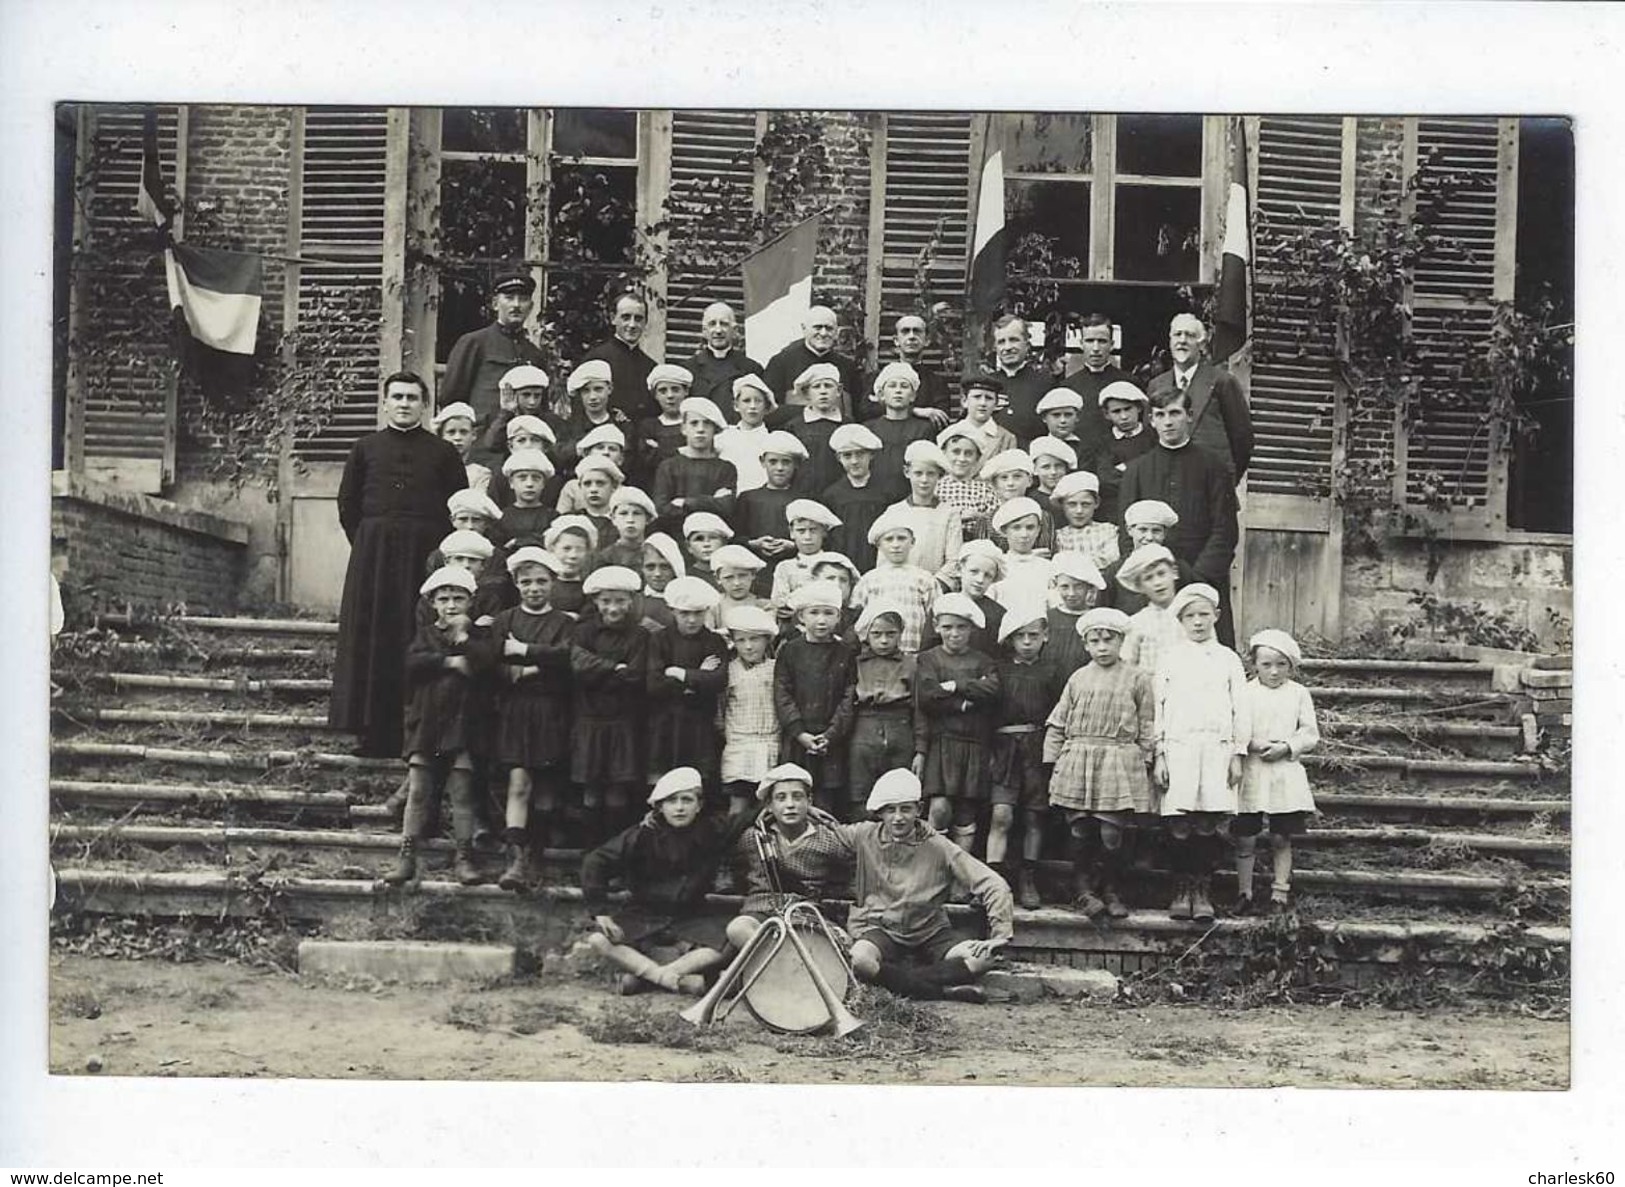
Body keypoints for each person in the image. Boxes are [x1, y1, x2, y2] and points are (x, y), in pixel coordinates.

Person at [330, 372, 467, 759]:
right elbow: (348, 505)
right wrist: (370, 543)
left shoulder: (443, 452)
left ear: (425, 406)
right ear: (385, 403)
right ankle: (371, 732)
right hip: (373, 556)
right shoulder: (365, 448)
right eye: (398, 397)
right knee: (373, 635)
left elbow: (457, 506)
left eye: (412, 398)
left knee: (414, 633)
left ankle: (415, 731)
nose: (405, 404)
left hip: (423, 555)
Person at [831, 768, 1014, 1004]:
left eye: (906, 809)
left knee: (984, 959)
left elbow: (992, 883)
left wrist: (999, 935)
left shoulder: (938, 845)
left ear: (919, 810)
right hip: (881, 928)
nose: (898, 817)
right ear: (880, 813)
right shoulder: (863, 835)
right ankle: (943, 992)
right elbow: (826, 830)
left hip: (929, 932)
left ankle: (901, 982)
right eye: (890, 810)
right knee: (859, 960)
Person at [581, 767, 749, 996]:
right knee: (599, 940)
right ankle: (675, 981)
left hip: (692, 914)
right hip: (645, 914)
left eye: (687, 800)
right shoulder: (641, 834)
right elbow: (596, 861)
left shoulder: (712, 829)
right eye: (671, 801)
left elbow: (749, 818)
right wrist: (600, 912)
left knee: (731, 941)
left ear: (699, 805)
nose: (679, 807)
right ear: (659, 806)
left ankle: (649, 978)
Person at [1044, 606, 1155, 919]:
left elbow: (1146, 723)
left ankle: (1111, 887)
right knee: (1080, 829)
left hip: (1117, 759)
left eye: (1110, 639)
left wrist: (1145, 760)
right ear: (1086, 644)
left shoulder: (1137, 678)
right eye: (1096, 640)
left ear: (1121, 641)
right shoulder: (1078, 678)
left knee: (1111, 832)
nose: (1103, 646)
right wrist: (1052, 763)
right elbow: (1059, 721)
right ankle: (1082, 890)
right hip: (1079, 758)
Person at [382, 565, 487, 887]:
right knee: (418, 791)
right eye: (444, 599)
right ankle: (406, 856)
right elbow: (412, 664)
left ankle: (464, 856)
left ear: (470, 601)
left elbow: (485, 664)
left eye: (458, 598)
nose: (451, 605)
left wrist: (465, 639)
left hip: (463, 725)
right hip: (427, 724)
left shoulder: (478, 636)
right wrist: (448, 661)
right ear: (433, 603)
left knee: (462, 792)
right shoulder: (424, 635)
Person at [479, 545, 575, 891]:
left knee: (547, 793)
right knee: (519, 784)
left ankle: (537, 855)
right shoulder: (505, 620)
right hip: (516, 711)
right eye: (526, 582)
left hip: (552, 712)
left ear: (553, 583)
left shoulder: (565, 623)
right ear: (517, 584)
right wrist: (517, 672)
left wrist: (527, 658)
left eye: (541, 581)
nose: (534, 588)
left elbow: (568, 661)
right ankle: (516, 859)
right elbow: (490, 662)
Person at [1117, 383, 1242, 645]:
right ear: (1151, 420)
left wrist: (1197, 576)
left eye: (1174, 413)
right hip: (1152, 584)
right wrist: (1147, 576)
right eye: (1160, 415)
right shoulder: (1137, 470)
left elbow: (1225, 529)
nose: (1168, 422)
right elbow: (1126, 531)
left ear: (1189, 416)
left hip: (1203, 577)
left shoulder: (1214, 466)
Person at [1153, 584, 1249, 922]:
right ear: (1180, 619)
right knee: (1179, 823)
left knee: (1209, 823)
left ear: (1216, 617)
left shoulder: (1228, 659)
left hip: (1217, 750)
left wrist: (1238, 753)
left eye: (1203, 615)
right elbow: (1159, 709)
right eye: (1190, 616)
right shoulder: (1169, 658)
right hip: (1179, 747)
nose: (1197, 622)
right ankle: (1181, 888)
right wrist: (1160, 754)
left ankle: (1202, 888)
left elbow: (1241, 708)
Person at [987, 601, 1070, 910]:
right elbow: (988, 710)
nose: (1026, 643)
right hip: (1004, 747)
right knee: (1001, 814)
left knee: (1035, 814)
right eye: (1020, 636)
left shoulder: (1052, 671)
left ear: (1044, 636)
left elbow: (1061, 713)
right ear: (1010, 639)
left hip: (1038, 746)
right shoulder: (999, 669)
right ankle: (992, 882)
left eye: (1033, 636)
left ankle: (1028, 878)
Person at [1233, 629, 1321, 915]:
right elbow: (1235, 728)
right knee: (1246, 835)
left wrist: (1286, 746)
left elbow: (1310, 733)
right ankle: (1244, 892)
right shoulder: (1244, 692)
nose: (1273, 671)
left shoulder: (1298, 693)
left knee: (1281, 836)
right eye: (1266, 664)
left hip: (1284, 770)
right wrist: (1253, 744)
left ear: (1291, 666)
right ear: (1254, 664)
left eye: (1281, 665)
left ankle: (1280, 892)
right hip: (1253, 769)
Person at [726, 763, 856, 951]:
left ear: (809, 801)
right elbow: (735, 866)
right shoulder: (754, 837)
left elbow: (850, 869)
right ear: (769, 805)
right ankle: (789, 962)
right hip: (761, 911)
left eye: (797, 797)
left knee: (843, 942)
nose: (790, 805)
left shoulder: (827, 838)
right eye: (781, 798)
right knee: (738, 929)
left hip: (805, 913)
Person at [570, 565, 652, 842]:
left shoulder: (640, 636)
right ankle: (591, 851)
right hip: (590, 720)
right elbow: (578, 668)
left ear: (631, 601)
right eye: (606, 601)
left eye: (620, 601)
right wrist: (613, 667)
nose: (613, 608)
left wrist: (600, 672)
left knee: (618, 788)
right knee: (591, 790)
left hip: (622, 721)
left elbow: (635, 675)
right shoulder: (583, 632)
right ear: (596, 602)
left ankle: (615, 852)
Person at [914, 592, 1000, 853]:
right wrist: (962, 702)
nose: (954, 633)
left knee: (966, 811)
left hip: (974, 743)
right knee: (939, 807)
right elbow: (928, 697)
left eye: (961, 627)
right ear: (937, 626)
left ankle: (960, 876)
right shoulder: (928, 659)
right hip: (942, 741)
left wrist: (955, 685)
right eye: (948, 627)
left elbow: (993, 691)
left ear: (971, 629)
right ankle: (930, 865)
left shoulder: (983, 661)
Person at [773, 580, 857, 816]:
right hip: (798, 739)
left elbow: (849, 697)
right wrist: (799, 733)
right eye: (814, 613)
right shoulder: (790, 651)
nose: (821, 620)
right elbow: (782, 692)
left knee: (827, 801)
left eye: (828, 613)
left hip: (831, 741)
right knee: (796, 793)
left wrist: (830, 735)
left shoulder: (845, 653)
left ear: (838, 617)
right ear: (801, 617)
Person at [645, 576, 730, 800]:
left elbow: (718, 680)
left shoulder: (714, 642)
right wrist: (698, 677)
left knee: (699, 781)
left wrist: (679, 673)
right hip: (665, 722)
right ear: (673, 611)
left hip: (700, 723)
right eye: (684, 613)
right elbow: (653, 684)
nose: (692, 620)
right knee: (662, 780)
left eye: (698, 613)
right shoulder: (659, 640)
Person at [1145, 313, 1254, 482]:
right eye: (1177, 334)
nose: (1182, 340)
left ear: (1201, 344)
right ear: (1170, 341)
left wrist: (1226, 479)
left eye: (1190, 335)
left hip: (1210, 480)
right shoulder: (1156, 385)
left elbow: (1242, 439)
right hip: (1167, 478)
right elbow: (1151, 437)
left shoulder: (1222, 382)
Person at [439, 272, 548, 428]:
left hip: (523, 440)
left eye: (523, 299)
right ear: (495, 303)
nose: (516, 305)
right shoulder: (474, 343)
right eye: (509, 298)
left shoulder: (534, 354)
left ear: (530, 307)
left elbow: (542, 406)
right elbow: (450, 399)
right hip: (482, 441)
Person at [846, 601, 919, 821]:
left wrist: (921, 748)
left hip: (901, 730)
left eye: (891, 634)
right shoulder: (855, 663)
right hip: (863, 730)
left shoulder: (911, 664)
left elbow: (919, 708)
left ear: (901, 634)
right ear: (866, 634)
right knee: (860, 794)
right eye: (877, 634)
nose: (884, 640)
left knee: (898, 792)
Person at [718, 607, 782, 820]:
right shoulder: (729, 670)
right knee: (738, 806)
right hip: (739, 745)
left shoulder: (777, 669)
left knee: (768, 805)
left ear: (767, 640)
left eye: (754, 639)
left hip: (770, 743)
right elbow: (720, 710)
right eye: (741, 640)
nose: (748, 645)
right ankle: (734, 850)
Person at [851, 507, 939, 654]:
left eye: (902, 538)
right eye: (889, 539)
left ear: (912, 542)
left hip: (914, 653)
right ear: (879, 545)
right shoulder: (869, 580)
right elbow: (857, 620)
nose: (896, 545)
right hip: (878, 655)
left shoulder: (925, 578)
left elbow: (934, 618)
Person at [821, 423, 901, 573]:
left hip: (880, 563)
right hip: (844, 564)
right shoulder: (832, 495)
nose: (854, 461)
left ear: (871, 455)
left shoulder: (887, 491)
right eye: (847, 455)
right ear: (838, 458)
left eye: (860, 454)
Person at [652, 395, 737, 536]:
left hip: (714, 537)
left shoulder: (725, 468)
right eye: (694, 423)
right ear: (683, 428)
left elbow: (726, 508)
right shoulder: (668, 467)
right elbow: (662, 510)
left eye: (707, 424)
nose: (701, 429)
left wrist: (685, 502)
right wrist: (712, 502)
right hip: (676, 536)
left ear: (715, 430)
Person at [732, 429, 805, 593]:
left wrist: (794, 545)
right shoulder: (748, 498)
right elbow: (736, 537)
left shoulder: (803, 499)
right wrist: (754, 544)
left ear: (796, 465)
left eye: (786, 462)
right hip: (757, 572)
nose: (779, 468)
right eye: (773, 462)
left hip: (794, 570)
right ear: (762, 462)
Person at [762, 305, 862, 416]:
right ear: (804, 329)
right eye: (818, 327)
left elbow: (856, 411)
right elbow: (769, 409)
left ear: (836, 332)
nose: (823, 333)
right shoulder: (781, 362)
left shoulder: (847, 366)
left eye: (829, 328)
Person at [1061, 312, 1135, 457]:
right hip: (1081, 460)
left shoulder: (1128, 384)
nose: (1096, 348)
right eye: (1090, 341)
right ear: (1081, 344)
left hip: (1118, 460)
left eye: (1102, 341)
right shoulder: (1067, 387)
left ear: (1111, 345)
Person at [580, 292, 660, 422]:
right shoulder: (595, 359)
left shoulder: (651, 367)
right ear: (613, 318)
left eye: (638, 319)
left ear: (645, 323)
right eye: (626, 317)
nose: (632, 325)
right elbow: (581, 410)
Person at [890, 440, 963, 579]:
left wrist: (932, 585)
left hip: (935, 587)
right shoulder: (895, 512)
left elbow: (954, 561)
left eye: (930, 474)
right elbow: (885, 559)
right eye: (918, 473)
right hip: (900, 586)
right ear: (907, 472)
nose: (924, 480)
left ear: (939, 476)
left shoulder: (949, 514)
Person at [863, 361, 938, 491]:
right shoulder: (869, 429)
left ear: (913, 396)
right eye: (892, 386)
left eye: (904, 386)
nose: (898, 391)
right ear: (881, 395)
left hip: (910, 495)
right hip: (875, 494)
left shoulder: (924, 429)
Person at [1089, 380, 1155, 525]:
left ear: (1138, 408)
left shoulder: (1154, 437)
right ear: (1107, 414)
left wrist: (1125, 467)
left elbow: (1158, 471)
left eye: (1128, 409)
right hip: (1116, 510)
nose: (1124, 416)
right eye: (1116, 412)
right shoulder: (1103, 443)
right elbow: (1106, 478)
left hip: (1151, 506)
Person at [867, 313, 952, 423]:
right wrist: (914, 411)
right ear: (896, 340)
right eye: (905, 331)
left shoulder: (937, 383)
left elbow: (940, 417)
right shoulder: (878, 378)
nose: (911, 336)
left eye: (917, 331)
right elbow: (866, 410)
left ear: (927, 340)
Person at [778, 362, 849, 494]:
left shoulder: (847, 425)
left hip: (839, 495)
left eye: (828, 386)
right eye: (816, 387)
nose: (823, 391)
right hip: (803, 493)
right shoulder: (794, 426)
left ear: (838, 390)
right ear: (806, 393)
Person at [683, 301, 767, 411]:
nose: (718, 330)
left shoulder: (751, 369)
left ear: (735, 330)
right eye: (712, 324)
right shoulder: (688, 369)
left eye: (724, 324)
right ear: (704, 331)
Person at [983, 314, 1053, 445]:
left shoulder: (1045, 384)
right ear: (995, 348)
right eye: (1001, 342)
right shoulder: (985, 386)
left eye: (1014, 340)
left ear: (1027, 344)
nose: (1008, 347)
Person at [935, 421, 1001, 542]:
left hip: (976, 546)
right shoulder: (935, 488)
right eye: (956, 452)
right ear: (944, 453)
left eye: (969, 453)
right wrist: (956, 518)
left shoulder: (985, 491)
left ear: (977, 458)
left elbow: (997, 526)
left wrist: (979, 517)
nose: (962, 458)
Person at [715, 374, 776, 494]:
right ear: (736, 406)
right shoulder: (722, 439)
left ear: (766, 406)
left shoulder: (773, 441)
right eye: (746, 401)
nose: (752, 406)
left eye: (758, 401)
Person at [1051, 471, 1119, 571]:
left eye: (1086, 504)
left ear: (1096, 503)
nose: (1079, 511)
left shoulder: (1109, 530)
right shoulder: (1058, 537)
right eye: (1072, 504)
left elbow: (1111, 558)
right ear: (1062, 505)